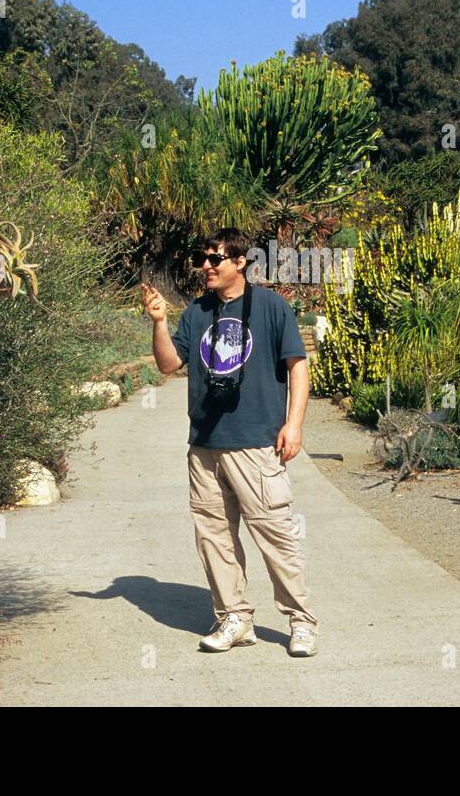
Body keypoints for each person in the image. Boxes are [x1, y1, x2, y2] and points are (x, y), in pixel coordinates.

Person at [141, 228, 319, 657]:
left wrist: (293, 426)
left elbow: (298, 367)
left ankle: (301, 621)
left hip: (255, 443)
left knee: (275, 536)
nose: (206, 266)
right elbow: (168, 365)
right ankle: (234, 617)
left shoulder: (273, 308)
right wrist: (160, 321)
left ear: (240, 262)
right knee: (213, 537)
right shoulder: (197, 312)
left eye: (214, 259)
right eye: (203, 258)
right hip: (204, 445)